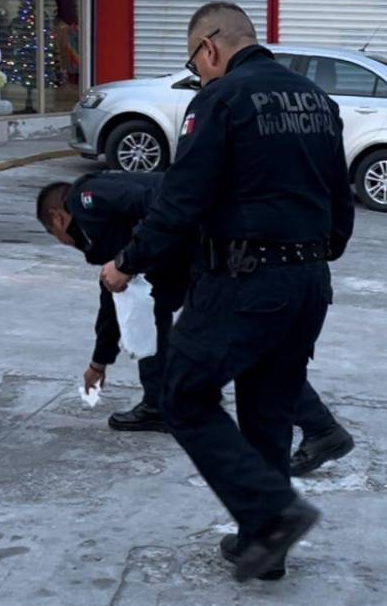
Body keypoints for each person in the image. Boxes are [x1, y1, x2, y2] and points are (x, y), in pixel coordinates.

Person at [98, 2, 355, 581]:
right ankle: (264, 551)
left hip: (244, 280)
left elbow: (180, 202)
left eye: (196, 62)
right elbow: (340, 205)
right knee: (268, 411)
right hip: (309, 283)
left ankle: (272, 513)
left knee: (184, 396)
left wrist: (126, 262)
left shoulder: (220, 100)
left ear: (210, 48)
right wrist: (313, 256)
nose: (198, 73)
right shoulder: (318, 100)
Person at [36, 173, 355, 476]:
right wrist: (99, 361)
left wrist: (136, 252)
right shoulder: (104, 225)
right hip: (187, 258)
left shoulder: (85, 198)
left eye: (55, 234)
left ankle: (322, 429)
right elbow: (115, 294)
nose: (63, 242)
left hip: (217, 254)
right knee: (148, 308)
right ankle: (157, 403)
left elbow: (158, 199)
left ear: (57, 217)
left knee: (239, 346)